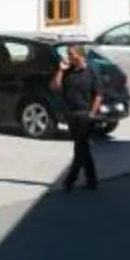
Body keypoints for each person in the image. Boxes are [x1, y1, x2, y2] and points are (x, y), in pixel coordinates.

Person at [54, 45, 101, 192]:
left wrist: (92, 113)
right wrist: (60, 70)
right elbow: (55, 87)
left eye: (70, 54)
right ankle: (91, 180)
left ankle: (70, 180)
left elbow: (98, 94)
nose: (68, 57)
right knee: (82, 148)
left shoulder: (91, 71)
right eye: (67, 54)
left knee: (80, 146)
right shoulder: (67, 71)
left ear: (79, 55)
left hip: (85, 114)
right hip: (71, 114)